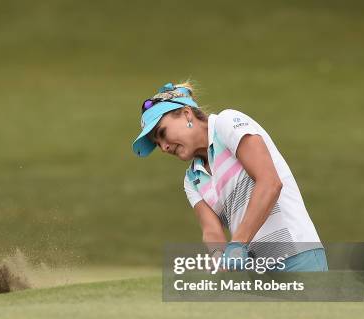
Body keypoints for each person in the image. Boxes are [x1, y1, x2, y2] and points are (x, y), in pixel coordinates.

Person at [131, 81, 328, 272]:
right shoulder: (191, 180)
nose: (164, 147)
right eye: (157, 143)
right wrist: (219, 260)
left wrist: (237, 244)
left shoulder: (227, 123)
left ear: (186, 114)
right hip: (258, 271)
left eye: (162, 133)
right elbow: (211, 231)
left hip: (297, 255)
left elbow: (270, 183)